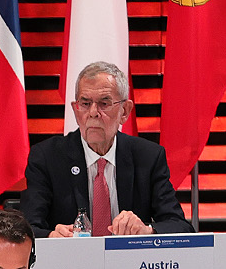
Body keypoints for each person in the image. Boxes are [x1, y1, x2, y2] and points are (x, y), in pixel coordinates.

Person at [19, 62, 190, 239]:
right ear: (76, 110)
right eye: (85, 103)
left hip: (127, 256)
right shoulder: (47, 157)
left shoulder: (148, 157)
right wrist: (52, 237)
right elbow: (26, 229)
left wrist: (146, 230)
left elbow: (180, 226)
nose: (93, 112)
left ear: (125, 111)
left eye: (104, 103)